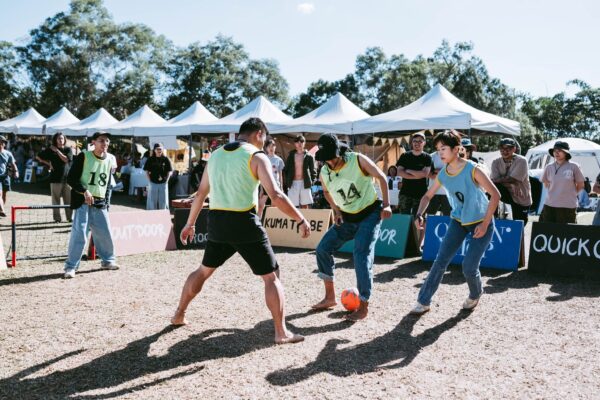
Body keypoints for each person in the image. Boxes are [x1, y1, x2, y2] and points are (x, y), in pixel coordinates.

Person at [171, 117, 311, 345]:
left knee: (204, 271)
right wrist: (300, 218)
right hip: (244, 222)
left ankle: (179, 314)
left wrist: (189, 224)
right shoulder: (256, 156)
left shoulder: (215, 155)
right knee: (271, 277)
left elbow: (200, 194)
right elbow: (275, 195)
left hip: (217, 222)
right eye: (264, 138)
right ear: (258, 134)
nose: (264, 143)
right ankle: (281, 332)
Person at [410, 130, 500, 315]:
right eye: (437, 149)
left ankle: (475, 293)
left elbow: (496, 195)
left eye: (443, 148)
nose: (440, 153)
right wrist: (419, 214)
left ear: (456, 149)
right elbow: (427, 196)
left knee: (469, 267)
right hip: (458, 221)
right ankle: (423, 301)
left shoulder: (473, 169)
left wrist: (484, 224)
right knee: (440, 261)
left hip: (480, 222)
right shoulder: (443, 174)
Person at [311, 133, 393, 321]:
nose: (329, 163)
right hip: (347, 217)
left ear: (339, 152)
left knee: (361, 255)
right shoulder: (325, 171)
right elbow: (325, 191)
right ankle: (329, 298)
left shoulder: (357, 160)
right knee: (323, 249)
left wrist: (387, 204)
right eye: (325, 160)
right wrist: (337, 212)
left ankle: (363, 306)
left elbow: (381, 176)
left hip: (370, 214)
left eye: (331, 158)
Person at [63, 131, 119, 279]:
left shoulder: (109, 160)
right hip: (82, 202)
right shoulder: (84, 156)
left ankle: (108, 261)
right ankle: (71, 267)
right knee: (79, 234)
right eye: (101, 140)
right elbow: (71, 179)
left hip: (100, 203)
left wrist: (106, 202)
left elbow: (107, 184)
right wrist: (84, 191)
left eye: (107, 141)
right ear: (93, 142)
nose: (105, 143)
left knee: (105, 234)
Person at [539, 141, 585, 224]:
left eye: (559, 150)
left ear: (566, 153)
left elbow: (581, 185)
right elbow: (546, 184)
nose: (556, 152)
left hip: (568, 206)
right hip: (549, 205)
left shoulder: (574, 166)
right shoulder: (548, 167)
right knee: (547, 231)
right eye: (555, 150)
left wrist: (571, 193)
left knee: (567, 233)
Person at [490, 138, 532, 224]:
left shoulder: (522, 160)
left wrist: (510, 181)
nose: (504, 151)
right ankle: (492, 216)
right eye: (502, 148)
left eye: (508, 148)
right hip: (505, 197)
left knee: (519, 227)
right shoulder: (495, 162)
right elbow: (494, 181)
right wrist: (512, 184)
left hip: (521, 199)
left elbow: (513, 179)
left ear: (514, 149)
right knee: (491, 188)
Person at [36, 133, 74, 222]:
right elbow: (38, 156)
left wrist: (57, 151)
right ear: (55, 140)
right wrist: (48, 163)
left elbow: (66, 159)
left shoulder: (68, 149)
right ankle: (57, 219)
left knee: (68, 200)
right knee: (55, 201)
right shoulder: (50, 150)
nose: (61, 140)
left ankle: (70, 218)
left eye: (62, 138)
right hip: (55, 179)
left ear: (65, 140)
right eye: (58, 139)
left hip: (67, 179)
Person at [396, 132, 432, 215]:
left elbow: (425, 174)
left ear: (424, 143)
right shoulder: (405, 155)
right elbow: (399, 172)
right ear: (412, 142)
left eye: (420, 141)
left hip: (421, 194)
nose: (417, 143)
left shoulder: (427, 157)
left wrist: (409, 171)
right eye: (415, 141)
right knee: (403, 219)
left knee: (418, 220)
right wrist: (417, 175)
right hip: (405, 193)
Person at [284, 134, 316, 209]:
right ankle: (294, 220)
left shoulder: (309, 156)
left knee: (305, 205)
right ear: (295, 144)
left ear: (304, 143)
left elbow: (313, 171)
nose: (299, 143)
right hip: (293, 183)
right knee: (292, 205)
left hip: (305, 182)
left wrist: (311, 181)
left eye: (301, 141)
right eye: (297, 142)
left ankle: (305, 219)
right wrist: (287, 181)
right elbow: (286, 169)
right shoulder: (291, 155)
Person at [258, 138, 285, 217]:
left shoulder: (279, 160)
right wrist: (261, 189)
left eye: (273, 146)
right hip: (265, 184)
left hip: (276, 185)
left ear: (275, 147)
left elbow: (280, 175)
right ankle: (259, 222)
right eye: (269, 146)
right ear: (266, 148)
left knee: (273, 207)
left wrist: (281, 188)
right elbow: (260, 174)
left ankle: (271, 223)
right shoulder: (263, 158)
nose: (271, 148)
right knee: (260, 206)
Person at [144, 143, 173, 210]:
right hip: (153, 182)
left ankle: (163, 214)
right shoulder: (150, 159)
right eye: (158, 149)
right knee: (152, 200)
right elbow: (146, 171)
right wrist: (149, 181)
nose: (159, 150)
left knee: (163, 200)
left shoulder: (166, 159)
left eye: (160, 149)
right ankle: (152, 214)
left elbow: (170, 171)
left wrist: (167, 181)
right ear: (154, 150)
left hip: (163, 183)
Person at [426, 149, 451, 216]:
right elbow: (428, 174)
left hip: (447, 193)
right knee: (429, 216)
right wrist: (444, 171)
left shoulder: (450, 156)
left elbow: (451, 171)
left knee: (448, 217)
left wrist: (435, 171)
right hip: (433, 192)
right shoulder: (430, 156)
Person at [0, 135, 19, 217]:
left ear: (4, 144)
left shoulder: (8, 153)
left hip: (5, 176)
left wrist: (16, 172)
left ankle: (0, 209)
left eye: (1, 142)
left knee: (4, 194)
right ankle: (2, 210)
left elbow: (13, 164)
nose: (0, 143)